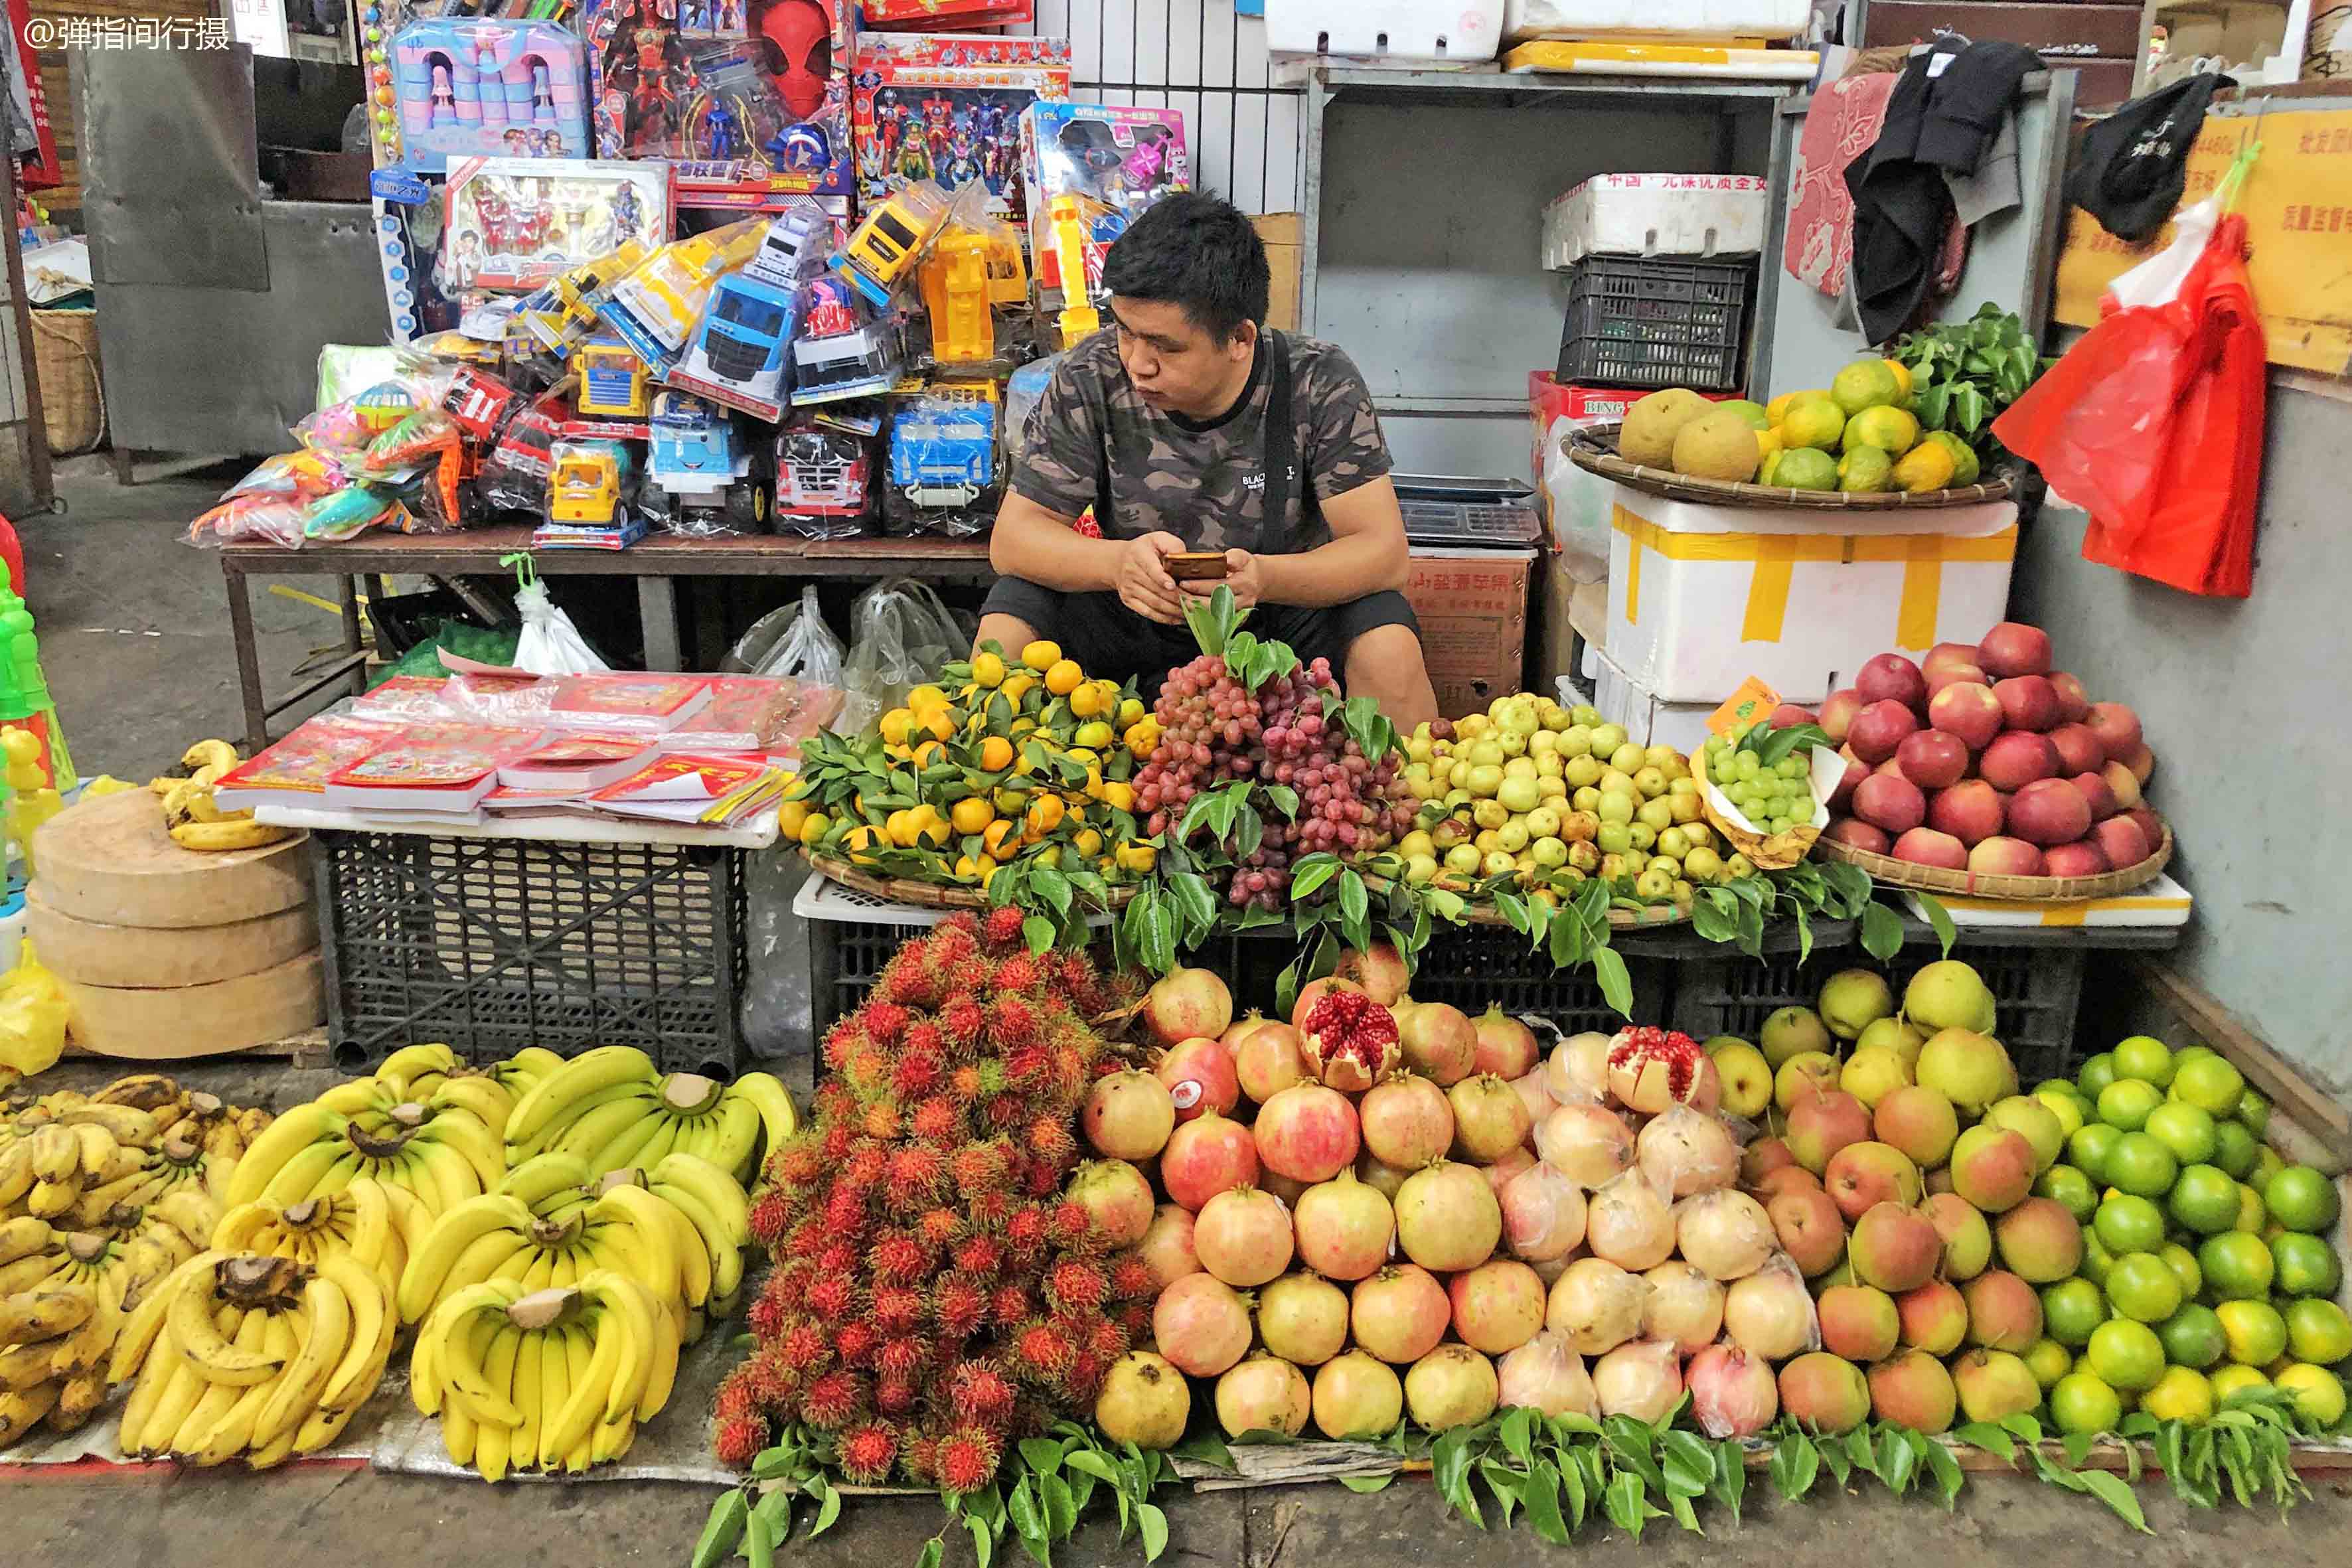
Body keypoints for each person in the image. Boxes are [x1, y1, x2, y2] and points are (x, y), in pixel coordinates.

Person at [980, 193, 1439, 728]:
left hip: (1278, 620)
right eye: (1125, 331)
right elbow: (1013, 541)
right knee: (1010, 619)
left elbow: (1383, 554)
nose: (1137, 364)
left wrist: (1264, 579)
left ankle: (1395, 802)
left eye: (1165, 347)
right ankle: (1000, 799)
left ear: (1240, 338)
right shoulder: (1091, 374)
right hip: (1133, 614)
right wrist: (1117, 565)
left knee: (1385, 637)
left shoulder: (1317, 380)